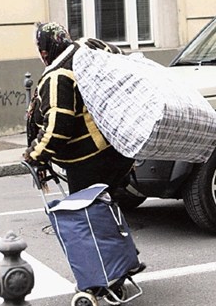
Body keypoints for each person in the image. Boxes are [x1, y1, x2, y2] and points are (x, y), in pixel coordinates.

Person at [24, 21, 135, 194]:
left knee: (89, 213)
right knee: (107, 205)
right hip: (118, 148)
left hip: (89, 160)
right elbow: (124, 61)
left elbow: (58, 128)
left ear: (44, 52)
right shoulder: (90, 47)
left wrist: (34, 154)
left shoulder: (58, 77)